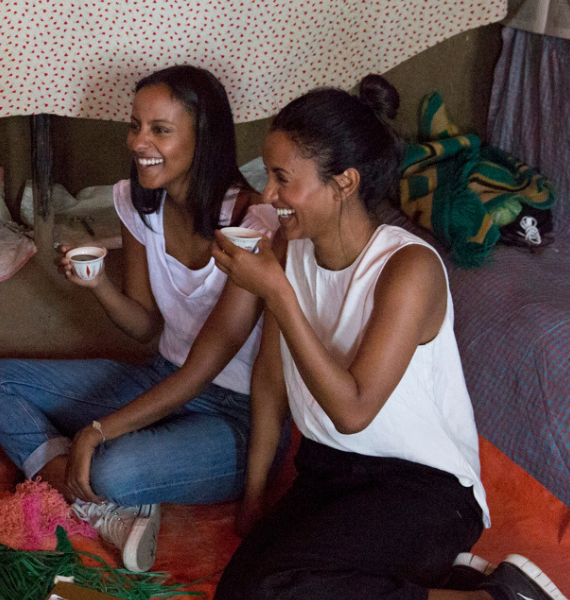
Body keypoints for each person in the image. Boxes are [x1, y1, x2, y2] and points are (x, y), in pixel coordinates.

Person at [210, 75, 565, 600]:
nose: (269, 195)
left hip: (424, 489)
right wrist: (256, 493)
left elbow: (354, 413)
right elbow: (269, 377)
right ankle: (447, 577)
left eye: (283, 179)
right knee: (239, 593)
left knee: (280, 592)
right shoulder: (291, 248)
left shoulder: (407, 268)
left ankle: (486, 598)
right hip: (329, 472)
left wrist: (279, 295)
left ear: (345, 183)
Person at [0, 65, 279, 573]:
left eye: (160, 129)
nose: (139, 142)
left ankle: (100, 485)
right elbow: (145, 326)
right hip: (162, 378)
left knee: (112, 467)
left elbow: (204, 368)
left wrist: (95, 432)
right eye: (135, 125)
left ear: (206, 137)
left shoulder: (252, 222)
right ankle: (103, 498)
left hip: (232, 415)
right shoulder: (138, 202)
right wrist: (99, 285)